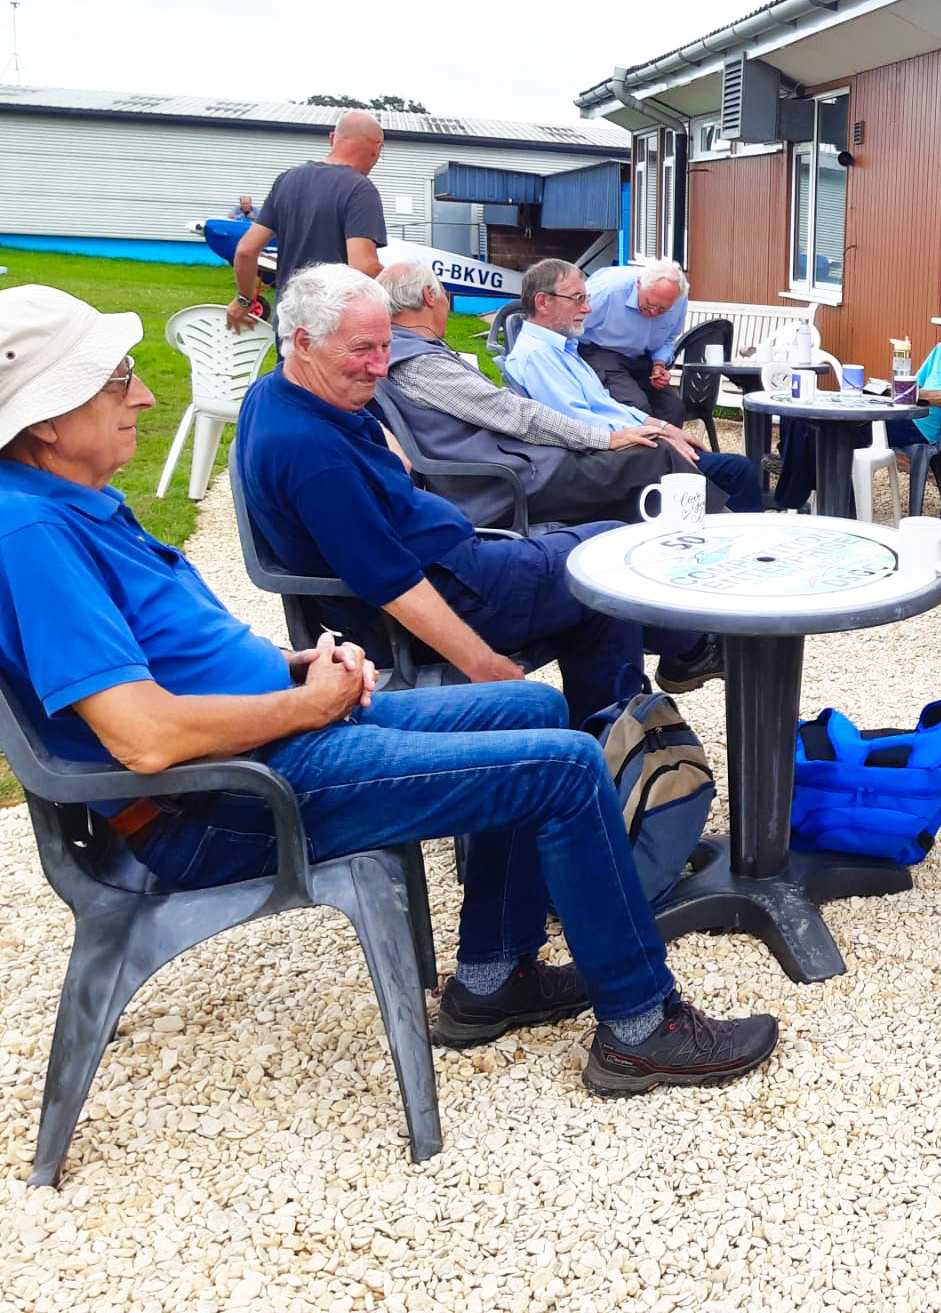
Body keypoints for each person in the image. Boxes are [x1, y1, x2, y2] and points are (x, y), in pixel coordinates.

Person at [0, 283, 776, 1090]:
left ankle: (494, 977)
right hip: (228, 799)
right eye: (119, 380)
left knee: (538, 707)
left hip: (270, 742)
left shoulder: (75, 503)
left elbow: (169, 659)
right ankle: (641, 1027)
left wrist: (290, 666)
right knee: (565, 765)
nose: (144, 395)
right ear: (46, 418)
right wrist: (303, 704)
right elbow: (142, 736)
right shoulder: (31, 532)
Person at [236, 265, 721, 721]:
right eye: (364, 349)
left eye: (386, 346)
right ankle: (685, 657)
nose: (380, 368)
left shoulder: (284, 390)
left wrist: (388, 445)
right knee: (604, 564)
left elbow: (382, 445)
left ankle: (619, 726)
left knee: (597, 581)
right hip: (451, 595)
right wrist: (482, 664)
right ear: (305, 342)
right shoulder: (315, 457)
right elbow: (392, 584)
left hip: (453, 564)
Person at [378, 260, 723, 529]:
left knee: (660, 457)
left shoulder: (410, 353)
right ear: (430, 296)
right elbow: (513, 414)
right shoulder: (421, 362)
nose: (587, 308)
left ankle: (694, 537)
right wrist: (607, 439)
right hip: (507, 483)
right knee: (657, 457)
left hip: (515, 469)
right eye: (579, 299)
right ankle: (716, 539)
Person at [503, 259, 762, 512]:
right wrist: (653, 437)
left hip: (619, 435)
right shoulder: (539, 356)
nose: (588, 308)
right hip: (599, 461)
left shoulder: (563, 349)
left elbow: (606, 405)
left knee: (717, 453)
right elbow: (579, 424)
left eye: (586, 298)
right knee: (736, 471)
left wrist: (663, 427)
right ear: (543, 302)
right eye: (578, 298)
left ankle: (718, 520)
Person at [771, 288, 941, 512]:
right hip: (900, 412)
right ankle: (809, 487)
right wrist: (890, 389)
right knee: (800, 417)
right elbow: (914, 383)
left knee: (829, 430)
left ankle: (810, 497)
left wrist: (913, 394)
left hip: (922, 426)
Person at [228, 110, 387, 332]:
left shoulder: (287, 180)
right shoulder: (360, 189)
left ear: (332, 138)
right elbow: (363, 266)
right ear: (377, 149)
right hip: (332, 324)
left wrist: (245, 299)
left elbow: (246, 250)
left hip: (289, 320)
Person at [578, 259, 693, 426]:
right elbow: (568, 324)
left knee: (673, 408)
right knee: (636, 408)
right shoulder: (607, 290)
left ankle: (664, 444)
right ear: (639, 284)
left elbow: (669, 338)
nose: (654, 313)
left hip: (641, 359)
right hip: (599, 352)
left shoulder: (678, 299)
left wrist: (659, 364)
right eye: (649, 305)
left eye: (662, 310)